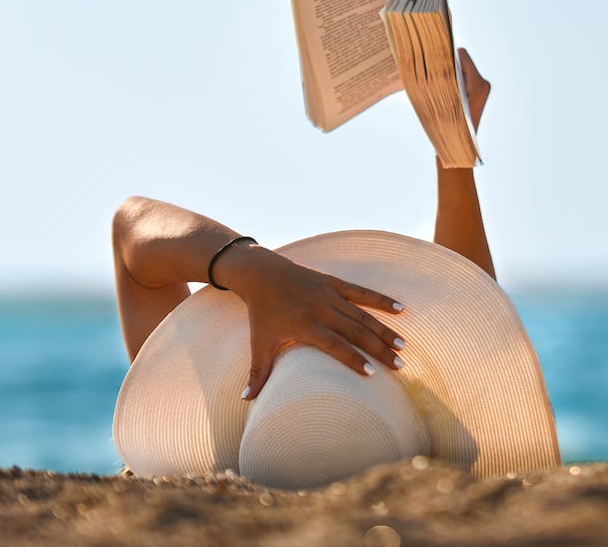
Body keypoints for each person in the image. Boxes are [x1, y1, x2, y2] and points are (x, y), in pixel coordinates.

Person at [111, 48, 495, 400]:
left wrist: (255, 270)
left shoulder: (196, 443)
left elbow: (133, 224)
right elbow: (471, 303)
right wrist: (454, 151)